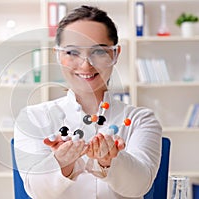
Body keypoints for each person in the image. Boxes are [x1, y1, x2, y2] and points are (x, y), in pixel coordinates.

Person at [14, 5, 162, 199]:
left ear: (115, 54)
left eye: (99, 52)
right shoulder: (33, 117)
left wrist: (110, 162)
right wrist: (62, 162)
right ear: (58, 55)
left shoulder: (140, 119)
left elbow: (140, 185)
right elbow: (37, 191)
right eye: (72, 52)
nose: (85, 65)